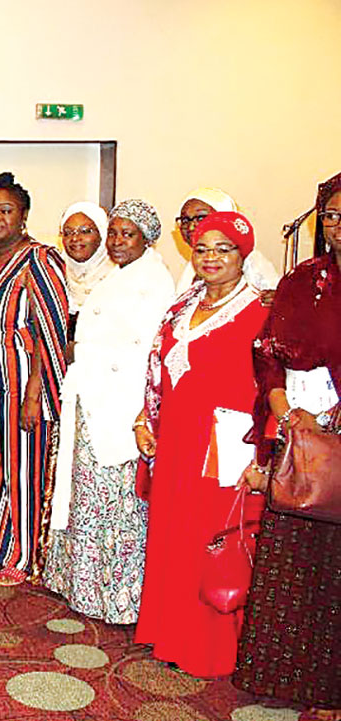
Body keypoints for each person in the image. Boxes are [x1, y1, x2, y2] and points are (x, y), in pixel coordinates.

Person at [133, 210, 268, 678]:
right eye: (203, 249)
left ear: (242, 255)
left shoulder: (261, 312)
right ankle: (169, 635)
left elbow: (272, 389)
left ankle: (209, 650)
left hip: (225, 447)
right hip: (175, 441)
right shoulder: (182, 306)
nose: (210, 257)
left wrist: (262, 455)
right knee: (173, 536)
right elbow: (157, 373)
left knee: (213, 543)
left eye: (223, 249)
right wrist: (145, 420)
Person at [232, 173, 341, 718]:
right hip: (294, 431)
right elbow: (266, 348)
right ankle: (282, 674)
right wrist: (281, 406)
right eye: (331, 216)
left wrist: (328, 419)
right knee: (291, 556)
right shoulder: (303, 277)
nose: (338, 226)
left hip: (334, 435)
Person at [44, 200, 174, 624]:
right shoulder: (120, 275)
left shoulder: (154, 281)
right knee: (90, 498)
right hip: (95, 399)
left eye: (127, 234)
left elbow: (148, 352)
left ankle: (117, 597)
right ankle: (86, 589)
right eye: (114, 233)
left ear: (146, 239)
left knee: (118, 505)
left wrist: (85, 354)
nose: (117, 242)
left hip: (122, 406)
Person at [0, 172, 69, 586]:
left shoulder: (39, 259)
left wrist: (34, 395)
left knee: (23, 466)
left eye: (5, 210)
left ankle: (23, 553)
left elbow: (50, 330)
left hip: (22, 379)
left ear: (23, 216)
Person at [174, 187, 279, 295]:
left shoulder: (252, 264)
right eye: (185, 220)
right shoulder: (192, 267)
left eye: (201, 218)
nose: (191, 227)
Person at [57, 201, 111, 347]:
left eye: (85, 231)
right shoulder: (54, 276)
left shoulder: (118, 279)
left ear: (103, 234)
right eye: (68, 233)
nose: (75, 238)